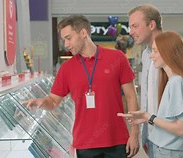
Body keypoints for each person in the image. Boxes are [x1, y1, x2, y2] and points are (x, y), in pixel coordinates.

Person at [23, 15, 139, 158]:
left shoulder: (117, 58)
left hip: (117, 141)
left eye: (68, 38)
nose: (65, 44)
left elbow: (131, 97)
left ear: (83, 33)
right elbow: (53, 101)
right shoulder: (66, 69)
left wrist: (134, 134)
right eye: (63, 40)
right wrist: (41, 102)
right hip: (85, 144)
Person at [127, 4, 183, 158]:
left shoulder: (180, 55)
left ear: (151, 25)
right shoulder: (146, 55)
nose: (131, 32)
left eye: (135, 26)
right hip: (153, 140)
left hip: (172, 144)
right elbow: (147, 98)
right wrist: (142, 134)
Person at [118, 31, 183, 158]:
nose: (151, 56)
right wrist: (146, 118)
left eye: (155, 51)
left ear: (168, 53)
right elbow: (171, 121)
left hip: (170, 152)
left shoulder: (176, 82)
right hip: (165, 150)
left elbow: (181, 128)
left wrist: (149, 117)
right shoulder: (173, 81)